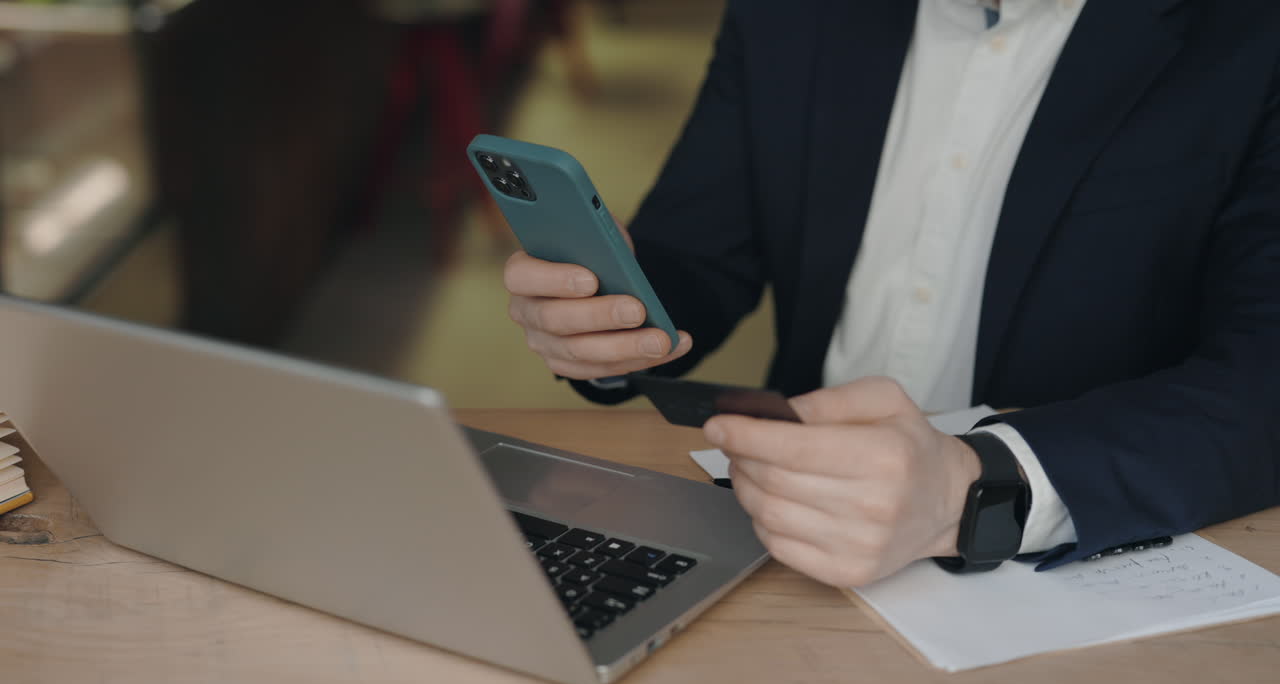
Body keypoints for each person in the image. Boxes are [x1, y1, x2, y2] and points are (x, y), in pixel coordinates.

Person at [501, 0, 1280, 586]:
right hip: (789, 531)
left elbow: (1263, 380)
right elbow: (697, 256)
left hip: (1083, 562)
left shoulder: (1251, 35)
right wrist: (605, 318)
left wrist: (974, 485)